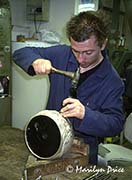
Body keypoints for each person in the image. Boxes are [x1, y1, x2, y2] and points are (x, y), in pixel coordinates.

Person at [13, 11, 125, 165]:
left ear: (103, 44)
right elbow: (20, 52)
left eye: (88, 52)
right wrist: (36, 60)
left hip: (82, 154)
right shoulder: (62, 54)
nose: (80, 59)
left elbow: (116, 124)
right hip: (49, 142)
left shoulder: (112, 81)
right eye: (76, 51)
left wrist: (86, 115)